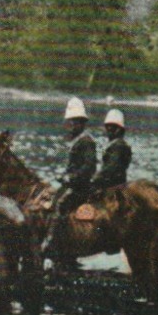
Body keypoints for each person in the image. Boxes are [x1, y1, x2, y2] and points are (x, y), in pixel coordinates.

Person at [43, 98, 96, 260]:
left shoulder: (86, 142)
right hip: (74, 183)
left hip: (81, 186)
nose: (71, 126)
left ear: (81, 123)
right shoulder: (79, 141)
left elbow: (88, 168)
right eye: (70, 123)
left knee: (61, 204)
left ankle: (52, 242)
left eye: (74, 123)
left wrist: (69, 178)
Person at [95, 108, 132, 193]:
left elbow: (111, 168)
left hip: (112, 186)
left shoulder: (118, 147)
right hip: (116, 183)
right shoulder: (118, 145)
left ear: (119, 129)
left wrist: (95, 178)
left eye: (112, 127)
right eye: (108, 127)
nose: (109, 130)